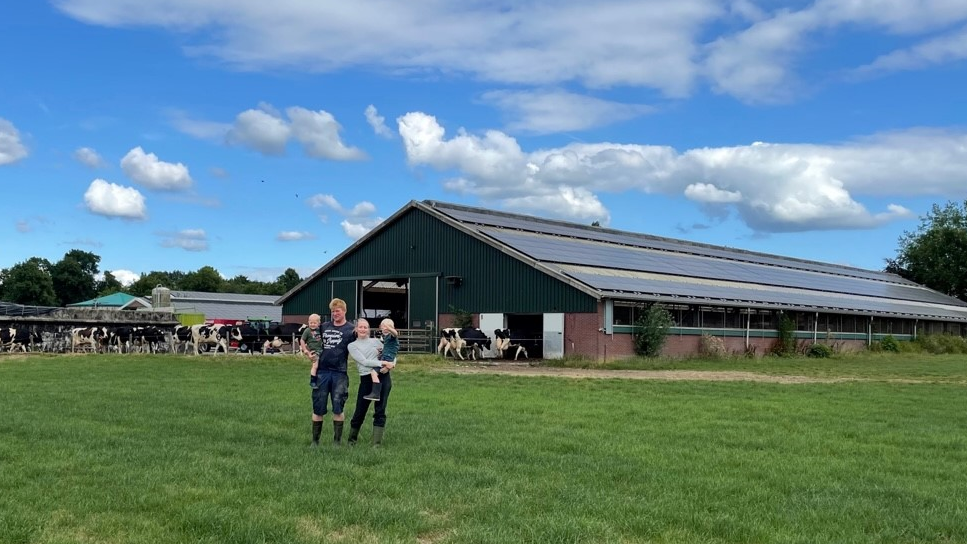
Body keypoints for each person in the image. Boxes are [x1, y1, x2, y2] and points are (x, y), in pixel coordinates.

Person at [301, 299, 356, 448]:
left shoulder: (351, 330)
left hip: (340, 372)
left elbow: (362, 344)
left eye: (337, 311)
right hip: (322, 372)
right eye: (332, 311)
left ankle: (337, 441)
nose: (335, 314)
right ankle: (315, 441)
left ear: (344, 311)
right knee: (318, 406)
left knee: (338, 406)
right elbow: (307, 339)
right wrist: (308, 353)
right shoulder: (323, 327)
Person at [347, 319, 396, 447]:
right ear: (356, 329)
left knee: (380, 410)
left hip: (383, 377)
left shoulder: (377, 341)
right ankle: (351, 441)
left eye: (366, 327)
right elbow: (364, 361)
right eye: (361, 327)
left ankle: (376, 444)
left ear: (369, 329)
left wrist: (390, 365)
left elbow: (391, 353)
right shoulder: (352, 345)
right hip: (366, 379)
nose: (363, 329)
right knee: (360, 411)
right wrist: (382, 363)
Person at [363, 318, 399, 402]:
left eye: (387, 327)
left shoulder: (391, 336)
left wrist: (391, 365)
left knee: (374, 373)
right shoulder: (382, 338)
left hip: (386, 360)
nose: (385, 329)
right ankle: (375, 392)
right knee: (374, 373)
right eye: (383, 327)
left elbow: (395, 334)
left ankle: (375, 393)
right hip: (381, 360)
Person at [300, 313, 322, 389]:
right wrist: (305, 350)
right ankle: (312, 381)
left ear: (318, 323)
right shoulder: (307, 331)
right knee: (315, 365)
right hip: (314, 351)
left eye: (314, 323)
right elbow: (302, 340)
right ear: (308, 322)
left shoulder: (320, 330)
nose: (312, 324)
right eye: (311, 323)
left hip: (322, 350)